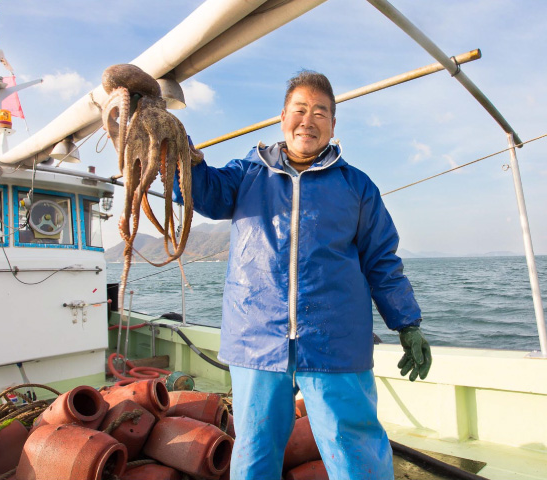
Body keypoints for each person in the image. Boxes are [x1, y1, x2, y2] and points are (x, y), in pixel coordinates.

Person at [175, 70, 432, 480]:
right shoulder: (246, 174)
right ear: (282, 117)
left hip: (336, 343)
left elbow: (382, 260)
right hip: (256, 337)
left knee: (355, 451)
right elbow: (203, 191)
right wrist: (179, 153)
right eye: (299, 110)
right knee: (255, 450)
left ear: (333, 124)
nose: (307, 121)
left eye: (320, 113)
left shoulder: (358, 186)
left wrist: (407, 323)